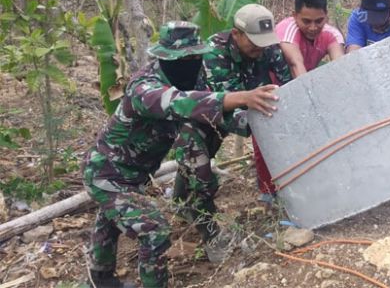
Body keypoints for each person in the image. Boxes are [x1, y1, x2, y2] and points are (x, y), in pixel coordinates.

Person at [83, 22, 278, 288]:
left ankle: (100, 279)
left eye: (195, 57)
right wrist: (241, 96)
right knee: (153, 229)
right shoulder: (144, 88)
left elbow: (215, 114)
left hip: (135, 174)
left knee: (110, 219)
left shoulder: (193, 78)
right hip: (107, 174)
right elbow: (181, 102)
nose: (189, 63)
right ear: (163, 57)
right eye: (182, 59)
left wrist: (259, 122)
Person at [201, 4, 293, 204]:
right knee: (199, 156)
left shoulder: (267, 46)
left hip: (254, 104)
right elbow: (227, 100)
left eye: (264, 43)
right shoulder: (215, 52)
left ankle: (275, 190)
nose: (260, 49)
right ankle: (186, 203)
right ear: (236, 34)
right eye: (254, 43)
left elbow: (285, 79)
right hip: (213, 111)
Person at [275, 0, 345, 77]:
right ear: (295, 15)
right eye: (306, 21)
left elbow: (340, 66)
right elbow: (295, 64)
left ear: (326, 15)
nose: (313, 27)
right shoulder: (287, 30)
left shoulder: (332, 35)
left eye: (319, 21)